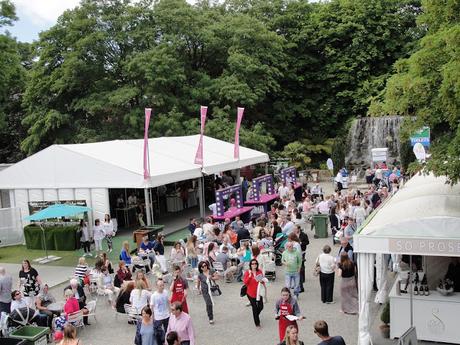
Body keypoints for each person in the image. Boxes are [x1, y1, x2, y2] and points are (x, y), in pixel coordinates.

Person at [243, 258, 267, 328]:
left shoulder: (259, 271)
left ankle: (256, 315)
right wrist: (250, 276)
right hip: (250, 293)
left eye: (255, 263)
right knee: (254, 307)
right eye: (252, 264)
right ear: (250, 265)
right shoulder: (248, 272)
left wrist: (263, 281)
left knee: (261, 307)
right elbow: (245, 282)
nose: (254, 265)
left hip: (259, 292)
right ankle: (257, 323)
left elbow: (262, 281)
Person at [150, 279, 169, 345]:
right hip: (158, 317)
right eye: (160, 286)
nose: (162, 287)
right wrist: (152, 317)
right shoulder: (154, 295)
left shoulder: (166, 292)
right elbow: (151, 307)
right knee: (158, 332)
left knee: (168, 330)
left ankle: (167, 342)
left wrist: (171, 312)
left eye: (163, 285)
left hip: (166, 315)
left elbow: (168, 302)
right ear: (157, 286)